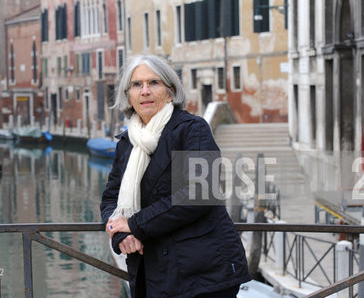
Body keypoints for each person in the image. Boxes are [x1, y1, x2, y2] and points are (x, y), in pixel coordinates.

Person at [100, 54, 251, 298]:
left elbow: (199, 193)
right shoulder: (128, 143)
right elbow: (110, 199)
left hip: (203, 273)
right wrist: (120, 233)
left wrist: (136, 224)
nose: (145, 91)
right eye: (137, 85)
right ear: (128, 95)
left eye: (154, 83)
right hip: (152, 270)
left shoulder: (192, 129)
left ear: (170, 91)